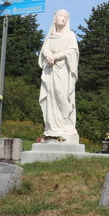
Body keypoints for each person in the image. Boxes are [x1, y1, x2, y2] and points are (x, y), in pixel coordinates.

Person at [38, 9, 80, 142]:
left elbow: (72, 51)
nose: (63, 18)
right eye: (61, 16)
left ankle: (67, 125)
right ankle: (52, 126)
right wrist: (48, 56)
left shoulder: (70, 35)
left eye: (65, 17)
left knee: (62, 96)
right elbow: (45, 48)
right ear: (55, 18)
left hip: (63, 71)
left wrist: (56, 56)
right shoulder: (50, 36)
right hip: (51, 70)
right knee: (51, 96)